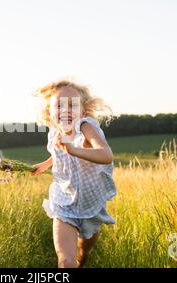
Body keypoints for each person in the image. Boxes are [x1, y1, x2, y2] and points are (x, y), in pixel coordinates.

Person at [31, 79, 117, 268]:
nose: (65, 109)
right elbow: (58, 153)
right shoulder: (54, 133)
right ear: (50, 113)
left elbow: (106, 155)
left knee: (83, 253)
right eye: (59, 105)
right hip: (64, 205)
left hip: (91, 206)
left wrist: (75, 150)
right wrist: (45, 165)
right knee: (66, 261)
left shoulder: (86, 127)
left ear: (83, 111)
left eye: (72, 105)